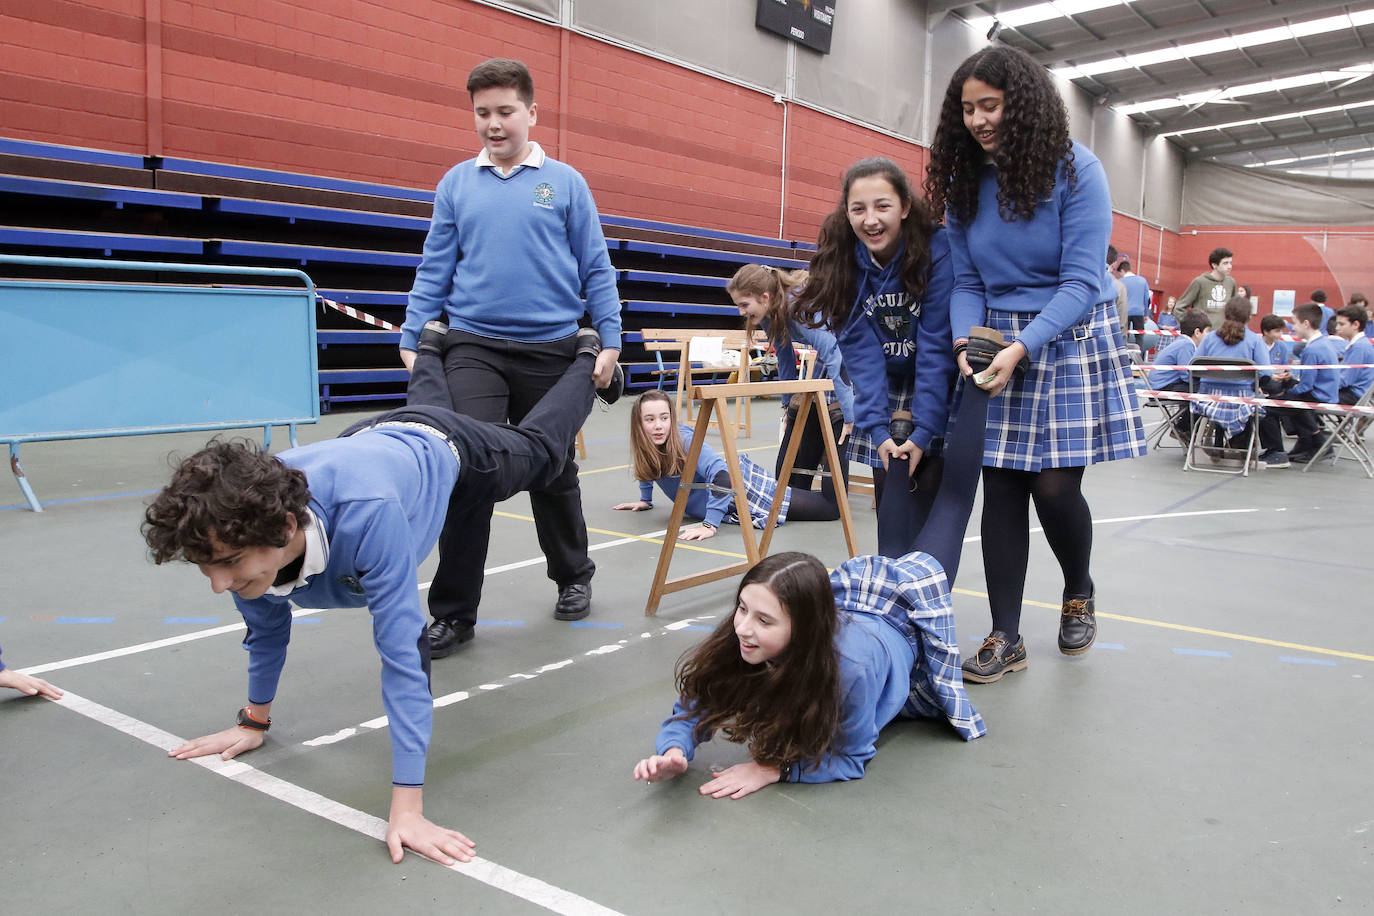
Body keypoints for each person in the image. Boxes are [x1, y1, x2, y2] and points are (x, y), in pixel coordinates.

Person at [142, 328, 605, 865]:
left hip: (452, 450)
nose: (220, 585)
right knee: (420, 410)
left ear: (286, 526)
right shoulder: (242, 536)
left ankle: (587, 361)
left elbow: (404, 660)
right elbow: (267, 630)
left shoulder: (369, 516)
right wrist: (253, 721)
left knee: (544, 453)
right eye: (207, 568)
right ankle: (431, 348)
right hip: (375, 435)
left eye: (226, 566)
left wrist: (407, 809)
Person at [631, 379, 993, 796]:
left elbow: (851, 756)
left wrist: (775, 770)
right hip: (851, 597)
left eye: (763, 619)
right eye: (743, 609)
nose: (743, 627)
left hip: (902, 614)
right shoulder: (747, 635)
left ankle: (975, 382)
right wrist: (673, 750)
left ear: (805, 627)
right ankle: (895, 436)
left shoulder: (849, 671)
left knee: (951, 502)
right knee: (895, 474)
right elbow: (694, 706)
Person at [924, 44, 1146, 684]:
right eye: (967, 109)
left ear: (1021, 105)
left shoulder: (1079, 171)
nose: (977, 120)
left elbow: (1080, 283)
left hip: (1068, 329)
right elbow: (965, 280)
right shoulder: (967, 181)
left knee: (1053, 487)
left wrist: (1024, 348)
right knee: (1000, 489)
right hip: (996, 333)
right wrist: (969, 343)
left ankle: (1078, 586)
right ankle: (1006, 635)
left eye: (989, 105)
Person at [397, 57, 623, 658]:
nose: (493, 124)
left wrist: (610, 338)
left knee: (551, 471)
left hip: (552, 347)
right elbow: (435, 264)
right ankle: (453, 614)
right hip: (473, 345)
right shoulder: (455, 184)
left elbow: (595, 266)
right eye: (482, 114)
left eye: (505, 112)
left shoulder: (566, 184)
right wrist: (413, 331)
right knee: (466, 469)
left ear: (531, 113)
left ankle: (573, 576)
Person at [792, 157, 957, 558]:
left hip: (941, 379)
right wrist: (879, 430)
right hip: (889, 379)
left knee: (932, 486)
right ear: (846, 213)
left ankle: (927, 591)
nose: (870, 220)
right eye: (858, 209)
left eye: (882, 206)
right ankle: (891, 584)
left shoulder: (938, 249)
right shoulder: (843, 261)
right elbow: (861, 357)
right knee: (891, 484)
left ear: (904, 206)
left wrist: (923, 431)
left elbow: (936, 347)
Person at [612, 390, 840, 538]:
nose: (659, 426)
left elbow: (722, 476)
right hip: (727, 500)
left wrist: (709, 525)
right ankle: (816, 435)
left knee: (831, 508)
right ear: (639, 424)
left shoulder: (683, 439)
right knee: (800, 494)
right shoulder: (646, 442)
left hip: (742, 488)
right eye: (650, 420)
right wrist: (645, 499)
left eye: (664, 417)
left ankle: (836, 430)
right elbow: (647, 466)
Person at [726, 264, 855, 505]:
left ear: (764, 297)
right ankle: (800, 480)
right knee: (804, 407)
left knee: (833, 407)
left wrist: (850, 414)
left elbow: (834, 354)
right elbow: (784, 356)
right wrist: (786, 407)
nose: (741, 312)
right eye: (738, 306)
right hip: (833, 349)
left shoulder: (798, 305)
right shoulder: (767, 313)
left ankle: (834, 479)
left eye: (744, 304)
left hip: (853, 344)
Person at [1192, 296, 1274, 463]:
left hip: (1209, 401)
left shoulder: (1209, 338)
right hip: (1241, 401)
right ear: (1249, 317)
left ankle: (1217, 446)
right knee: (1260, 401)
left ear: (1225, 314)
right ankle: (1244, 451)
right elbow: (1266, 374)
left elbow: (1193, 367)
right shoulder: (1255, 341)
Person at [1258, 303, 1341, 465]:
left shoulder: (1312, 350)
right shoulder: (1323, 343)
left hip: (1317, 396)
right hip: (1326, 393)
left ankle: (1276, 451)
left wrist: (1280, 396)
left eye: (1295, 323)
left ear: (1306, 324)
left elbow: (1305, 387)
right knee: (1288, 392)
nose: (1293, 328)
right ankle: (1309, 442)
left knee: (1265, 408)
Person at [1147, 311, 1212, 440]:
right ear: (1197, 332)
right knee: (1204, 393)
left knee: (1200, 389)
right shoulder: (1186, 345)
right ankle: (1183, 427)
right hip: (1162, 388)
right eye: (1207, 332)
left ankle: (1188, 427)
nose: (1208, 336)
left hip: (1160, 385)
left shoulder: (1183, 342)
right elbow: (1186, 375)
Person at [1173, 248, 1236, 328]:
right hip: (1204, 335)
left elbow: (1235, 309)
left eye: (1230, 263)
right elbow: (1179, 308)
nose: (1229, 266)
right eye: (1225, 263)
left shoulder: (1231, 282)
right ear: (1214, 265)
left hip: (1224, 334)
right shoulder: (1199, 282)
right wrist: (1190, 327)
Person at [1334, 304, 1374, 405]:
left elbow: (1346, 379)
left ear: (1356, 325)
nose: (1337, 328)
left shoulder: (1359, 347)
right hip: (1355, 393)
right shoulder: (1359, 344)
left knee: (1307, 398)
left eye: (1341, 324)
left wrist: (1322, 384)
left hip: (1353, 395)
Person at [1119, 258, 1151, 353]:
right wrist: (1146, 314)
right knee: (1139, 337)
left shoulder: (1121, 281)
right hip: (1139, 312)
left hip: (1125, 313)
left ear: (1122, 270)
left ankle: (1125, 356)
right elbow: (1146, 299)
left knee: (1124, 336)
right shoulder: (1142, 280)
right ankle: (1139, 358)